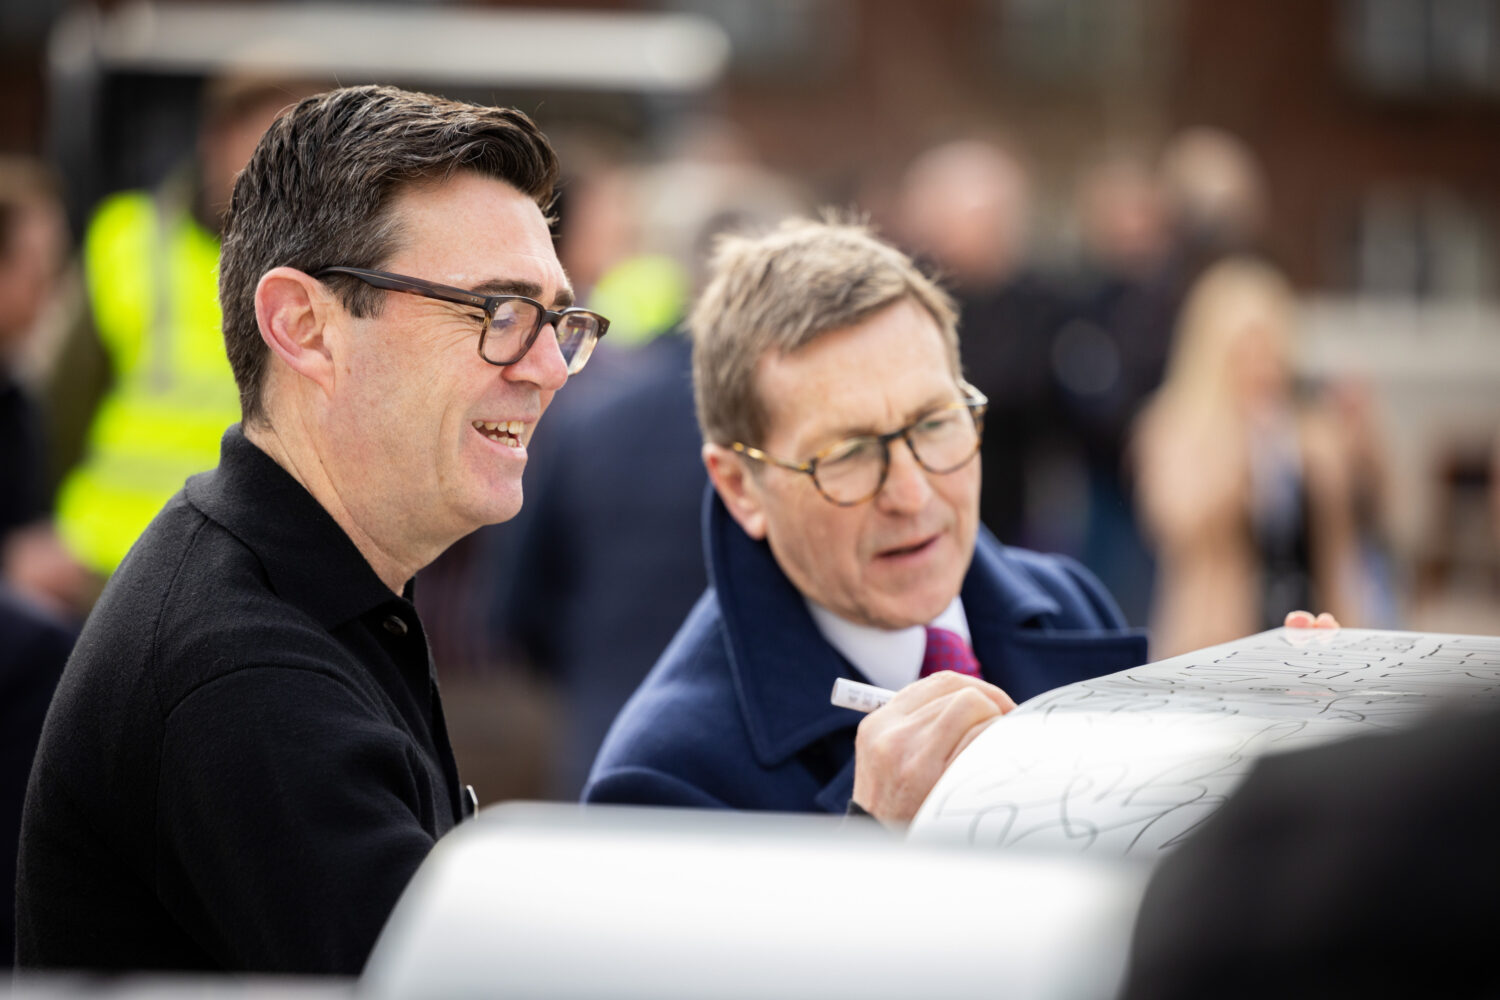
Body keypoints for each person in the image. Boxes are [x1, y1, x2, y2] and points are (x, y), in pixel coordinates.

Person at [16, 84, 608, 974]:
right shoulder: (245, 674)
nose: (548, 368)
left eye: (560, 319)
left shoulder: (301, 597)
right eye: (497, 311)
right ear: (304, 326)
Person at [584, 218, 1151, 823]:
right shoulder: (664, 777)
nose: (911, 493)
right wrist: (872, 838)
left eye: (934, 423)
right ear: (739, 487)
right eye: (848, 454)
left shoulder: (1069, 609)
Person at [44, 75, 321, 592]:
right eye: (268, 142)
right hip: (109, 561)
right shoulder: (128, 238)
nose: (285, 169)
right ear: (215, 138)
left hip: (246, 566)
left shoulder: (325, 272)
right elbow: (61, 406)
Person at [1132, 257, 1362, 658]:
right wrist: (1242, 451)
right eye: (1246, 351)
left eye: (1270, 349)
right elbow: (1175, 524)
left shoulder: (1309, 428)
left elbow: (1347, 530)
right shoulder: (1175, 426)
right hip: (1217, 637)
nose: (1261, 366)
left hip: (1311, 629)